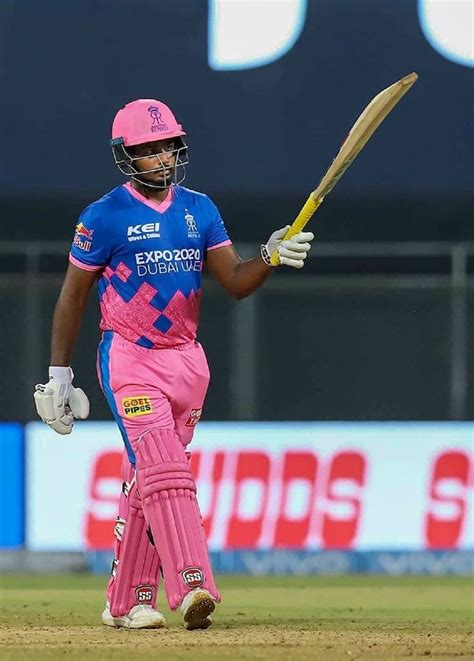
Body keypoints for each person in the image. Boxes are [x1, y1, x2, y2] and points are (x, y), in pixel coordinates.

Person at [34, 98, 314, 630]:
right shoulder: (103, 216)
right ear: (127, 156)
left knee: (149, 479)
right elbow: (72, 296)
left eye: (168, 147)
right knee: (166, 470)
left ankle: (129, 601)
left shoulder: (199, 210)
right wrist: (58, 376)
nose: (162, 158)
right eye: (149, 150)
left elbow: (235, 282)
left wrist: (271, 256)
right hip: (129, 358)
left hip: (188, 363)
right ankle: (193, 584)